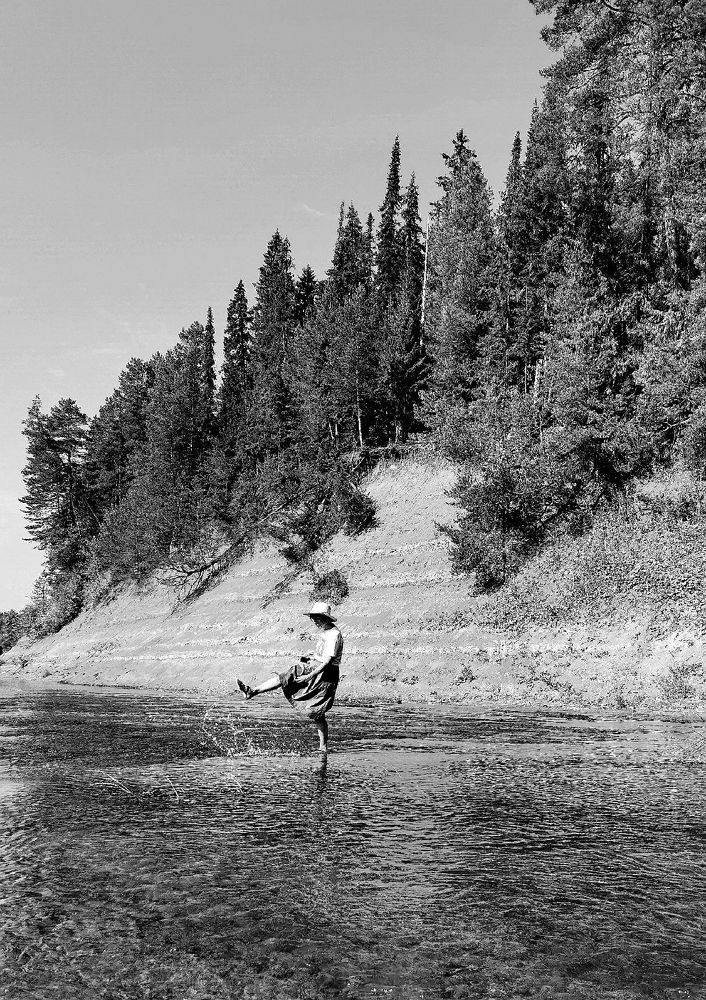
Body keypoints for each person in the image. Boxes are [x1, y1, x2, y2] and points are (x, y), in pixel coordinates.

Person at [236, 602, 343, 753]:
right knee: (287, 676)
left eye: (316, 618)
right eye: (313, 618)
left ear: (324, 618)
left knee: (318, 711)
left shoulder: (334, 634)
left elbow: (327, 662)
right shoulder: (325, 632)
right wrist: (311, 656)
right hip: (315, 667)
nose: (314, 621)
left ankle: (323, 747)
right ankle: (252, 691)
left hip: (325, 674)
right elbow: (322, 655)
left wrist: (309, 676)